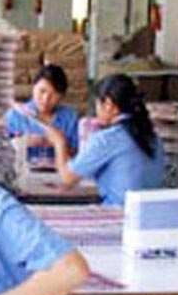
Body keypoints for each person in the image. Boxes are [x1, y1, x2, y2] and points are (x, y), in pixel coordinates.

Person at [44, 74, 165, 206]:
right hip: (150, 214)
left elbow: (68, 178)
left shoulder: (108, 139)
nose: (96, 112)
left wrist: (59, 142)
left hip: (119, 212)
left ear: (108, 104)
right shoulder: (154, 138)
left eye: (97, 104)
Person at [5, 64, 79, 154]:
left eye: (53, 94)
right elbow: (1, 149)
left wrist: (53, 143)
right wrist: (22, 142)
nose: (46, 99)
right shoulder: (15, 115)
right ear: (33, 87)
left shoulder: (69, 117)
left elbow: (77, 152)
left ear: (61, 96)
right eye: (42, 91)